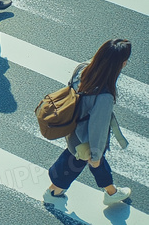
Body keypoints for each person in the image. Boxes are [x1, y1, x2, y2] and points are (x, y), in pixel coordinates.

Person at [44, 39, 132, 206]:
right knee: (77, 162)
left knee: (77, 159)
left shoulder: (82, 69)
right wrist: (96, 154)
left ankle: (111, 191)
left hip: (71, 126)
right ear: (122, 63)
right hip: (85, 138)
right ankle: (53, 192)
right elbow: (97, 129)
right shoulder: (104, 95)